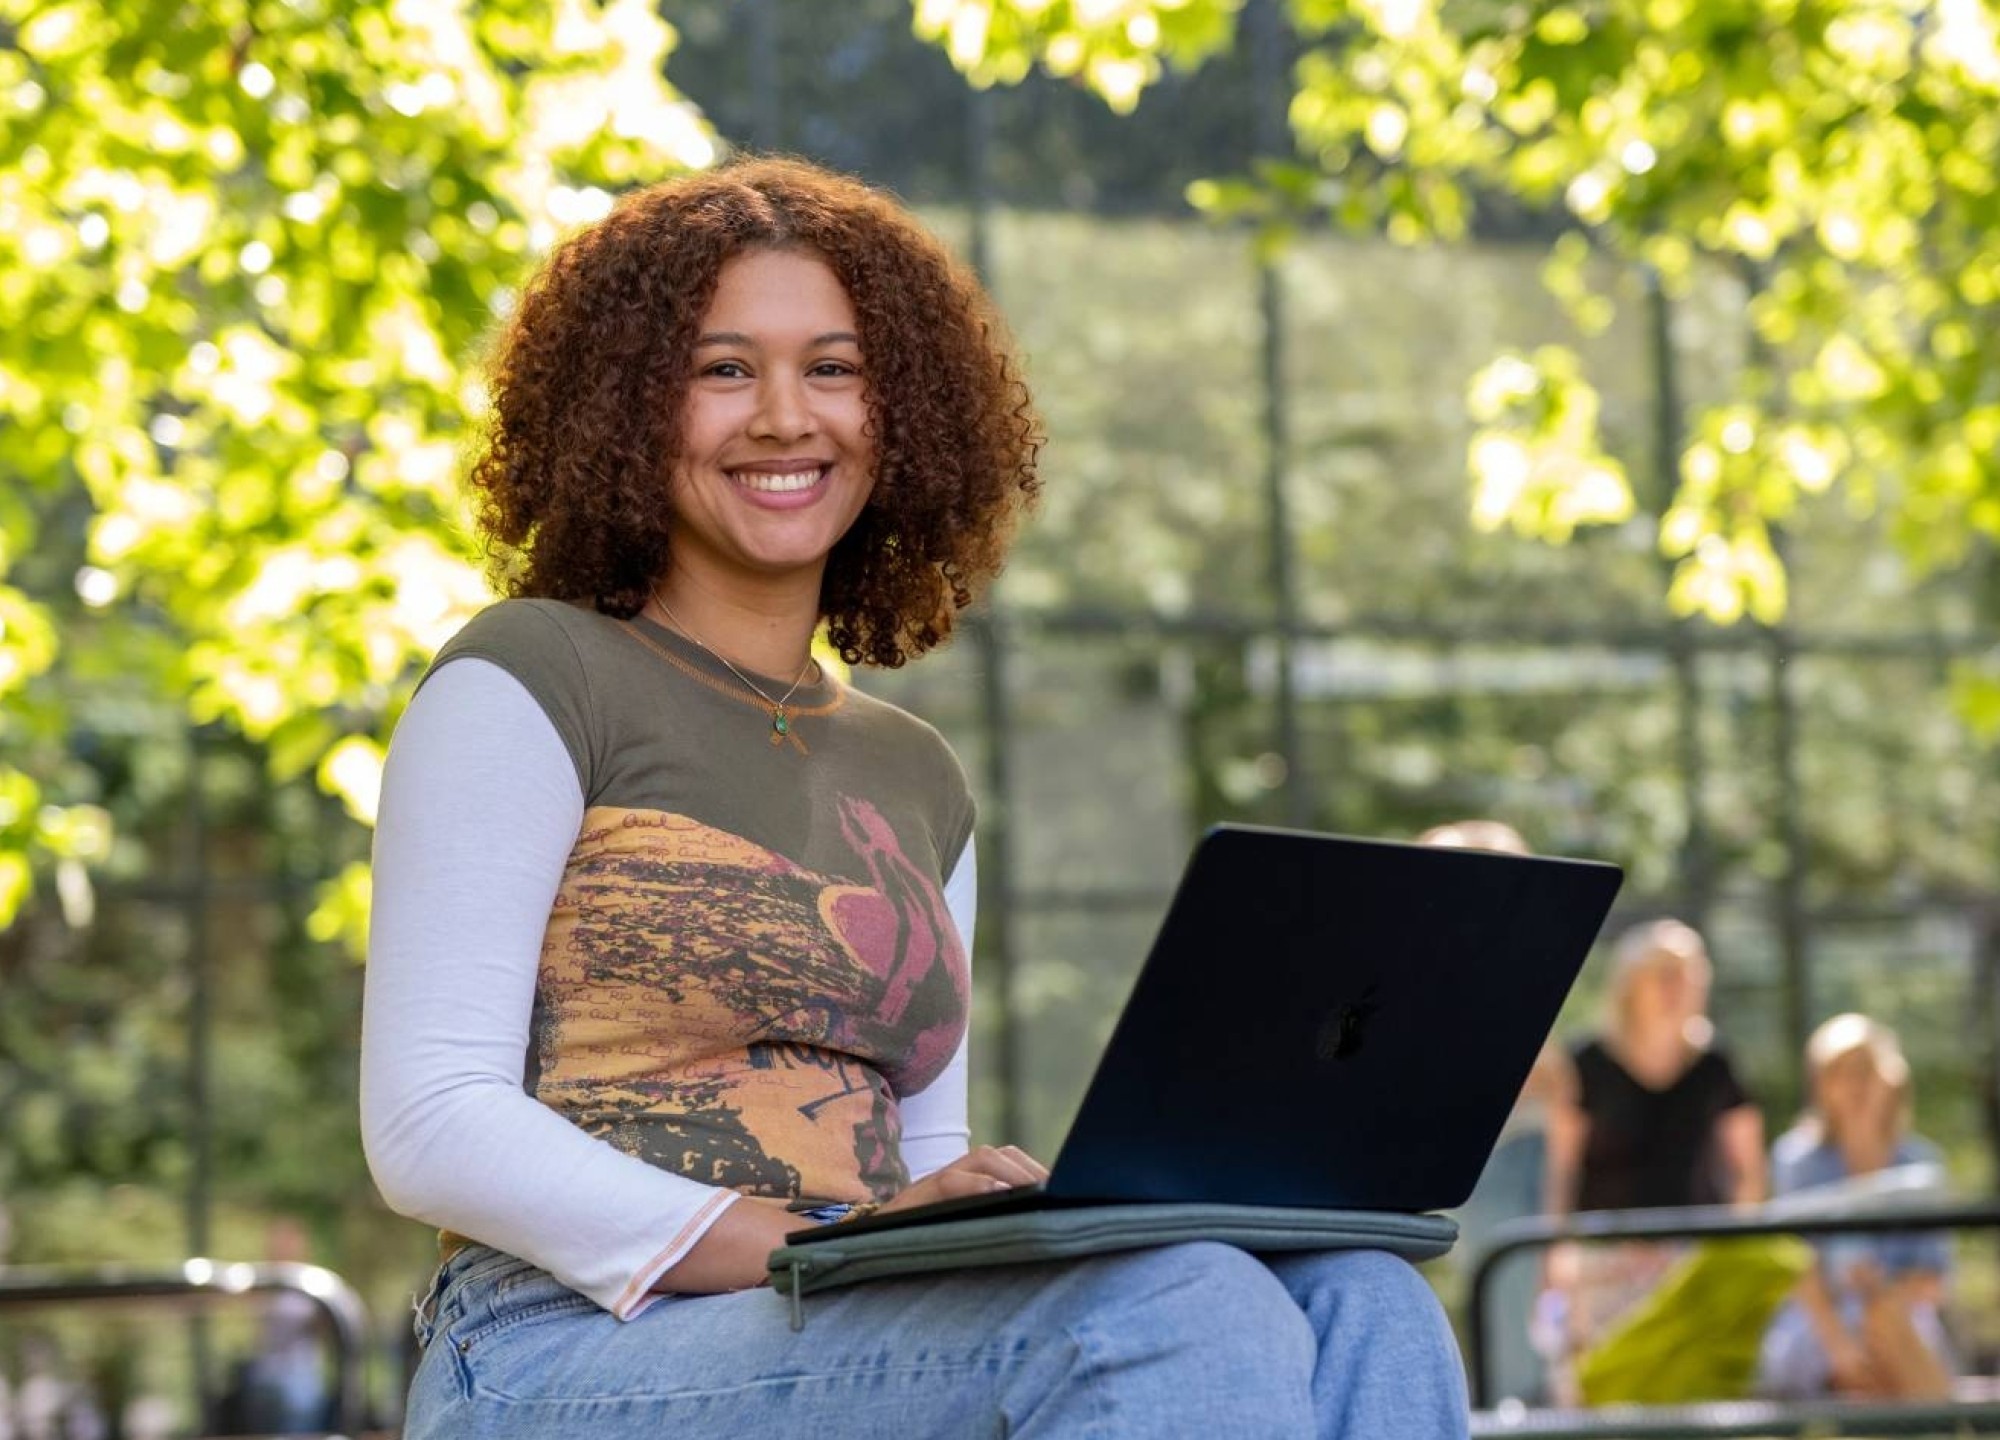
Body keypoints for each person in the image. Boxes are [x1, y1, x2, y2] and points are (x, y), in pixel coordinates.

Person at [359, 156, 1471, 1439]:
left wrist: (967, 1210)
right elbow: (431, 1125)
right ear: (623, 408)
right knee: (1174, 1306)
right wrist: (815, 1243)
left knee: (1362, 1298)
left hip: (840, 1310)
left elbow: (914, 1147)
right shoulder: (531, 673)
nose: (786, 416)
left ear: (903, 416)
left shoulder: (913, 773)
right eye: (723, 370)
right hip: (550, 1347)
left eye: (832, 370)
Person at [1541, 918, 1765, 1398]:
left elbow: (1748, 1168)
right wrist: (1555, 1255)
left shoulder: (1716, 1065)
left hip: (1692, 1258)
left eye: (1688, 973)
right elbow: (1562, 1167)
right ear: (1630, 983)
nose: (1676, 987)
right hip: (1603, 1262)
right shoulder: (1587, 1062)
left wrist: (1730, 1255)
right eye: (1663, 973)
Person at [1419, 820, 1573, 1404]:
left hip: (1517, 1164)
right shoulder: (1434, 976)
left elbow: (1559, 1105)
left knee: (1519, 1335)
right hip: (1473, 1170)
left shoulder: (1520, 973)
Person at [1758, 1013, 1955, 1400]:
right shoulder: (1797, 1159)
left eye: (1865, 1069)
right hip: (1819, 1326)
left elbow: (1934, 1279)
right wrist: (1840, 1345)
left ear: (1891, 1077)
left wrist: (1880, 1294)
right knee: (1873, 1341)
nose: (1854, 1084)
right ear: (1821, 1084)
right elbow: (1796, 1269)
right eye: (1839, 1072)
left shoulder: (1921, 1163)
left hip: (1901, 1321)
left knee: (1884, 1318)